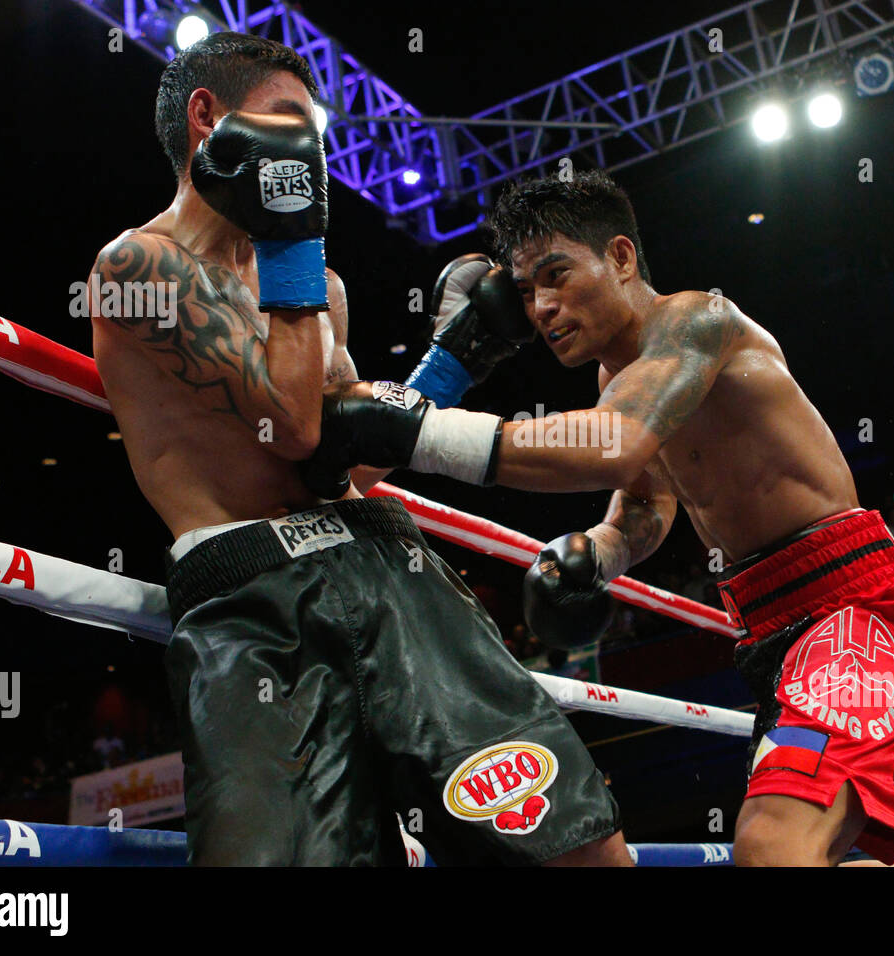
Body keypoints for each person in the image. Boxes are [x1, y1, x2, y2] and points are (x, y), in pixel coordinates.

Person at [301, 170, 894, 866]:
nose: (543, 308)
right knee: (833, 850)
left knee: (772, 845)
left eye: (557, 275)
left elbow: (617, 445)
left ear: (620, 256)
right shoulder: (617, 379)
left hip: (855, 614)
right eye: (525, 294)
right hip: (774, 633)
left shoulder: (698, 319)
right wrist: (598, 554)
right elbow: (646, 502)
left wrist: (425, 432)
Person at [89, 32, 628, 866]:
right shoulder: (137, 266)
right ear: (207, 119)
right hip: (248, 600)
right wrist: (292, 236)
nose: (307, 154)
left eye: (313, 137)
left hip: (381, 562)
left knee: (573, 846)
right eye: (286, 124)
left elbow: (346, 458)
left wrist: (455, 360)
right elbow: (297, 425)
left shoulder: (320, 289)